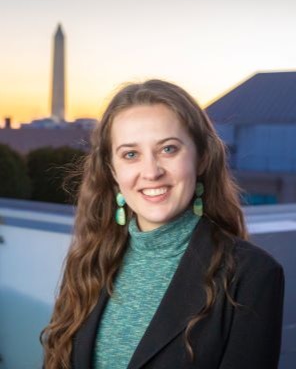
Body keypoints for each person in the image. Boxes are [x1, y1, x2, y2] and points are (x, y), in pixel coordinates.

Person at [41, 79, 285, 369]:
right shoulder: (89, 261)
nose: (151, 171)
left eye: (168, 149)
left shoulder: (252, 275)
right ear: (112, 171)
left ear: (202, 158)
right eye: (131, 154)